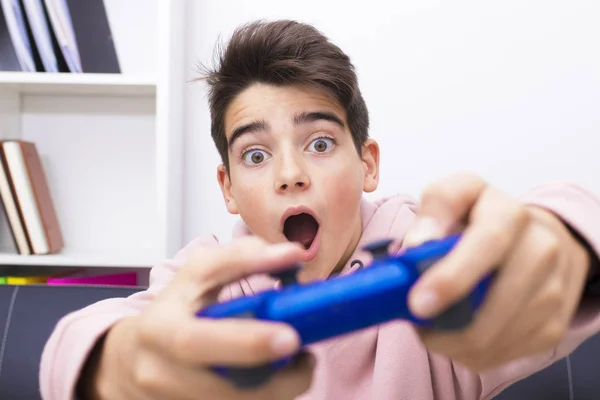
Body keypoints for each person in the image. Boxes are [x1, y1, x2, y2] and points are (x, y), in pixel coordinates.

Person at [40, 19, 600, 400]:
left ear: (368, 164)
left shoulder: (429, 262)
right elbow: (83, 340)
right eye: (256, 154)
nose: (289, 174)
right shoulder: (204, 282)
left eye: (320, 143)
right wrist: (117, 364)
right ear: (228, 188)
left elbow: (562, 231)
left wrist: (564, 237)